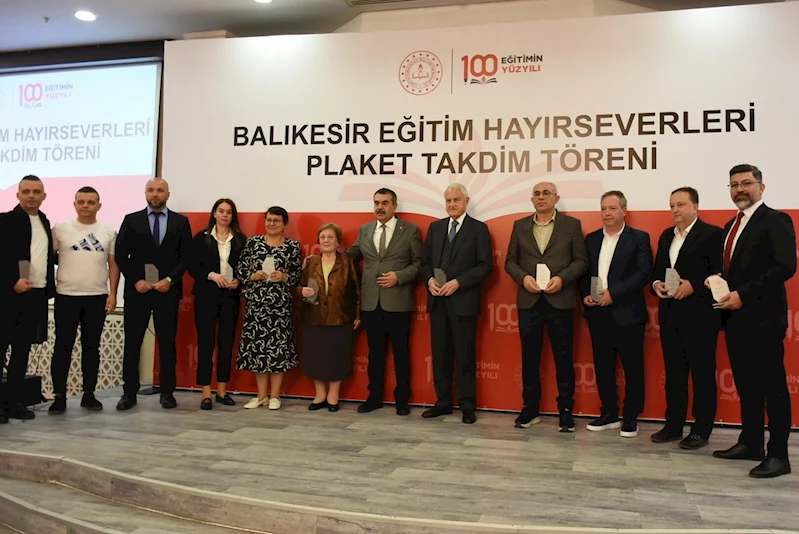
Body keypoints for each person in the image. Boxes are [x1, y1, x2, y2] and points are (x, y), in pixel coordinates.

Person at [711, 164, 796, 478]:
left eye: (746, 183)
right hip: (735, 318)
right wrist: (718, 279)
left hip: (763, 319)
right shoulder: (730, 225)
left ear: (761, 187)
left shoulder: (775, 219)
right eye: (734, 185)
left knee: (773, 388)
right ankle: (751, 443)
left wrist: (743, 294)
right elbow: (736, 269)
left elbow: (785, 266)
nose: (740, 189)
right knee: (747, 386)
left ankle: (779, 455)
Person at [505, 181, 588, 432]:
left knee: (564, 358)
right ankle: (530, 409)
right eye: (537, 194)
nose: (541, 197)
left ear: (556, 198)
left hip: (560, 300)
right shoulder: (520, 225)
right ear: (532, 199)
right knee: (529, 358)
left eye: (546, 193)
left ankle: (566, 411)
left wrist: (562, 278)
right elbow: (510, 261)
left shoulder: (571, 225)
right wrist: (523, 278)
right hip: (529, 300)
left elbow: (581, 261)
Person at [650, 187, 722, 450]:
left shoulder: (713, 234)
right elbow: (658, 271)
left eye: (681, 204)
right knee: (674, 375)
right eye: (672, 205)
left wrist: (695, 286)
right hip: (670, 314)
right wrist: (656, 284)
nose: (675, 210)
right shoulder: (666, 235)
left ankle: (701, 430)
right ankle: (673, 425)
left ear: (695, 207)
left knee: (702, 375)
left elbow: (721, 272)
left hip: (701, 316)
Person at [115, 177, 192, 411]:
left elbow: (186, 257)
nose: (155, 194)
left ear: (168, 194)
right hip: (138, 292)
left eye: (160, 190)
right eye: (151, 190)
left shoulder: (181, 222)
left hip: (166, 291)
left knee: (167, 344)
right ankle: (129, 393)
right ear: (145, 193)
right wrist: (135, 280)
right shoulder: (131, 220)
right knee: (132, 343)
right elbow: (120, 255)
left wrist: (169, 280)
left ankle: (167, 393)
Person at [419, 183, 493, 424]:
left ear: (466, 201)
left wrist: (459, 282)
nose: (452, 204)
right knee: (440, 355)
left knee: (465, 356)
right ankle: (442, 402)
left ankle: (467, 405)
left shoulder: (479, 229)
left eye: (456, 200)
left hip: (463, 302)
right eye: (448, 200)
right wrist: (429, 280)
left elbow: (485, 266)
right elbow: (424, 263)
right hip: (437, 301)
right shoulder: (436, 227)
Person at [580, 191, 652, 438]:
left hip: (628, 313)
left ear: (624, 210)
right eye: (603, 208)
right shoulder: (591, 239)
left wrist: (614, 293)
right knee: (603, 366)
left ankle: (630, 417)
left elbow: (644, 273)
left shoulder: (639, 238)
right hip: (598, 313)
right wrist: (585, 295)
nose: (607, 213)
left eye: (612, 208)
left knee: (633, 367)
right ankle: (609, 413)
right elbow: (584, 273)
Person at [347, 188, 424, 416]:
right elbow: (350, 256)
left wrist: (399, 276)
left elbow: (419, 264)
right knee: (375, 354)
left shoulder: (410, 230)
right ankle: (375, 397)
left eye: (385, 203)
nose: (379, 207)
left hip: (398, 301)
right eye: (376, 203)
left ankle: (402, 400)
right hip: (371, 302)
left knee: (401, 353)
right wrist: (323, 257)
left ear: (394, 206)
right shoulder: (365, 230)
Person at [49, 186, 120, 415]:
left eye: (90, 202)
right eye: (81, 202)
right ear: (75, 204)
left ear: (99, 206)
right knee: (63, 346)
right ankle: (59, 397)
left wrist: (113, 293)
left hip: (96, 296)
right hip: (66, 296)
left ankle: (89, 395)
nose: (86, 206)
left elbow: (114, 264)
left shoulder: (109, 231)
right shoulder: (60, 229)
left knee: (91, 348)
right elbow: (46, 259)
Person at [0, 175, 55, 422]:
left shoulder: (44, 221)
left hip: (35, 296)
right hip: (8, 295)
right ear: (18, 195)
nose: (31, 195)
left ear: (43, 196)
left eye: (36, 191)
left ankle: (14, 402)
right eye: (26, 191)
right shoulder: (5, 221)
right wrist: (12, 281)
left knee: (22, 351)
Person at [236, 206, 301, 410]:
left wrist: (285, 276)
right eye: (269, 219)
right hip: (256, 305)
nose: (272, 223)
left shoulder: (292, 247)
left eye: (276, 220)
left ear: (285, 224)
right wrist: (252, 275)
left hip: (280, 306)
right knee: (258, 350)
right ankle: (261, 395)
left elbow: (298, 275)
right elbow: (240, 269)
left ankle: (275, 396)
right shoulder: (252, 243)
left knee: (278, 349)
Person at [188, 199, 246, 411]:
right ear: (214, 213)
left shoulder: (240, 239)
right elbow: (191, 265)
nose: (224, 215)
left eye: (228, 212)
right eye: (221, 211)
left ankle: (222, 390)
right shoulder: (201, 238)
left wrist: (239, 280)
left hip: (230, 296)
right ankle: (206, 392)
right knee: (205, 343)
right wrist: (210, 275)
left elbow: (245, 266)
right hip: (206, 295)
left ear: (233, 216)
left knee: (226, 342)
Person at [299, 223, 361, 412]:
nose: (326, 240)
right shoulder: (311, 262)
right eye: (323, 237)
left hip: (340, 317)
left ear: (338, 242)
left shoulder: (348, 262)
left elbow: (358, 290)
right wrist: (302, 291)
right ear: (318, 241)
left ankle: (333, 395)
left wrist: (358, 315)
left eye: (330, 237)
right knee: (316, 357)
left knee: (337, 357)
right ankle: (320, 395)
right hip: (314, 317)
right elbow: (298, 286)